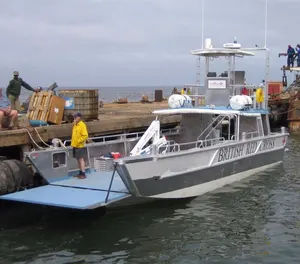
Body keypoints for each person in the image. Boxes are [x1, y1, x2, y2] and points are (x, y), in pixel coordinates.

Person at [71, 113, 88, 179]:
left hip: (79, 145)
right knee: (78, 159)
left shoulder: (82, 125)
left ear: (79, 117)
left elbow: (85, 135)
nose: (74, 118)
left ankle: (83, 174)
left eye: (76, 117)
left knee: (81, 159)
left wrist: (78, 141)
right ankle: (80, 172)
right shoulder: (75, 124)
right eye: (74, 117)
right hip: (75, 145)